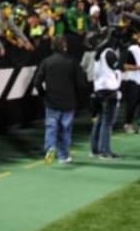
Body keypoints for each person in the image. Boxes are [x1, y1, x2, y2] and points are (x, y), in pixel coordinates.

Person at [33, 36, 87, 164]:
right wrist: (80, 98)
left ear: (52, 47)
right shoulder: (72, 62)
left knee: (51, 127)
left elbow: (36, 82)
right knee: (65, 129)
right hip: (68, 102)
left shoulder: (46, 62)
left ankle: (50, 148)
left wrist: (44, 94)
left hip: (51, 101)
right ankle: (64, 155)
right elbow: (81, 84)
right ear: (64, 46)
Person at [90, 27, 123, 159]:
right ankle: (104, 150)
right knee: (107, 122)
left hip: (99, 90)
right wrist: (124, 51)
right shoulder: (109, 53)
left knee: (100, 120)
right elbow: (117, 67)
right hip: (109, 91)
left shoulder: (99, 52)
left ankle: (95, 149)